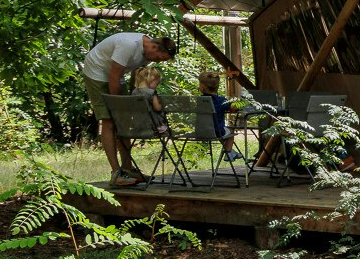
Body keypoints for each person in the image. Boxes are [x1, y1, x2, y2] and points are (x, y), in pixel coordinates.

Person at [81, 31, 177, 187]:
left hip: (115, 75)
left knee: (123, 121)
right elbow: (114, 75)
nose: (157, 61)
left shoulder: (147, 53)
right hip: (97, 73)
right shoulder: (128, 45)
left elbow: (136, 73)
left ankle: (128, 168)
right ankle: (116, 173)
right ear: (154, 46)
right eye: (159, 58)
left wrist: (134, 96)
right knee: (109, 120)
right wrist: (117, 105)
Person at [196, 70, 243, 164]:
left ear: (202, 87)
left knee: (221, 132)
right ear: (217, 86)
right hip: (216, 132)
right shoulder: (221, 100)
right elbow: (234, 107)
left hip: (199, 131)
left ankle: (231, 153)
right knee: (230, 132)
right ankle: (229, 153)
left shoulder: (199, 100)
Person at [132, 65, 169, 135]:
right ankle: (163, 129)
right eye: (157, 83)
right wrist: (162, 105)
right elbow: (157, 108)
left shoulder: (134, 92)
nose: (156, 86)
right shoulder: (151, 93)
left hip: (138, 124)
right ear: (152, 80)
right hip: (153, 125)